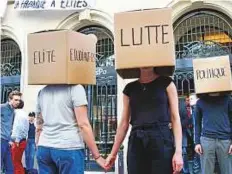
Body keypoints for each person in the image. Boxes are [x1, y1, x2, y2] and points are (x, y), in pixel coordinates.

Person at [105, 67, 183, 174]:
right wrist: (113, 153)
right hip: (137, 141)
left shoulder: (167, 83)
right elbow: (124, 123)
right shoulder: (130, 89)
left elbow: (175, 118)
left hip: (162, 140)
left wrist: (178, 152)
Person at [35, 85, 106, 174]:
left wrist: (38, 144)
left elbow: (39, 125)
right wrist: (97, 156)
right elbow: (83, 124)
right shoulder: (76, 88)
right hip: (69, 147)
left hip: (44, 147)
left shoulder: (42, 92)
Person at [194, 93, 232, 174]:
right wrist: (197, 142)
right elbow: (197, 123)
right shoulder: (200, 102)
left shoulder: (228, 99)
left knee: (227, 171)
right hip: (207, 140)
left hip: (225, 140)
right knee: (206, 171)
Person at [1, 91, 22, 174]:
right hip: (1, 140)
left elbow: (10, 127)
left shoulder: (13, 112)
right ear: (10, 99)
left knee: (10, 169)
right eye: (16, 100)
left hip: (7, 142)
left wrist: (10, 140)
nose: (18, 102)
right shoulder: (2, 107)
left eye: (19, 100)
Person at [10, 99, 29, 174]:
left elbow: (19, 127)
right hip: (22, 141)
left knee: (14, 162)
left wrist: (16, 141)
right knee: (17, 162)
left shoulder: (18, 114)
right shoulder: (23, 114)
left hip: (18, 142)